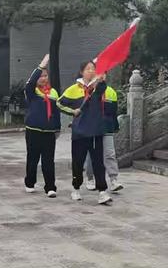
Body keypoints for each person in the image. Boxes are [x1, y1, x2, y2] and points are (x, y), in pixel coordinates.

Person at [57, 61, 112, 205]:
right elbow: (59, 103)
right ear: (82, 72)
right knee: (78, 162)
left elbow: (101, 89)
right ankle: (75, 188)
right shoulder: (73, 89)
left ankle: (102, 192)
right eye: (88, 69)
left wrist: (101, 80)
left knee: (98, 163)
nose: (91, 71)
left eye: (93, 69)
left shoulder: (97, 88)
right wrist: (72, 111)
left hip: (95, 131)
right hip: (79, 132)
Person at [24, 54, 61, 198]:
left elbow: (56, 112)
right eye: (41, 76)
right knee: (33, 158)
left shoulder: (53, 92)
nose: (43, 78)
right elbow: (30, 82)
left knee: (48, 160)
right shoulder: (32, 92)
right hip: (33, 130)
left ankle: (50, 187)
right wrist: (41, 65)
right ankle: (30, 182)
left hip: (49, 131)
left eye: (45, 76)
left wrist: (57, 128)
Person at [85, 84, 124, 192]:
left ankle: (113, 180)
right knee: (92, 154)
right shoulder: (88, 89)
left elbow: (113, 112)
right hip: (92, 128)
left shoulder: (111, 92)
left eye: (103, 74)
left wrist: (115, 126)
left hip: (107, 127)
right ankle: (90, 178)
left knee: (110, 154)